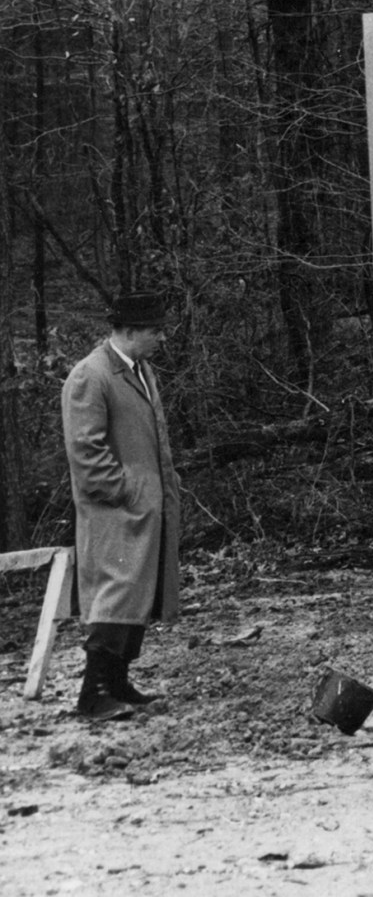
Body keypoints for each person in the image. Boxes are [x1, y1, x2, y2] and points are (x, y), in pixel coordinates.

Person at [60, 290, 181, 722]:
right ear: (129, 332)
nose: (161, 338)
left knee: (137, 599)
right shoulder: (90, 376)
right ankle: (92, 695)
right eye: (154, 331)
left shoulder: (141, 370)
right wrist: (125, 491)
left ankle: (117, 683)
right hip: (114, 514)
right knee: (113, 600)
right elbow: (86, 453)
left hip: (143, 507)